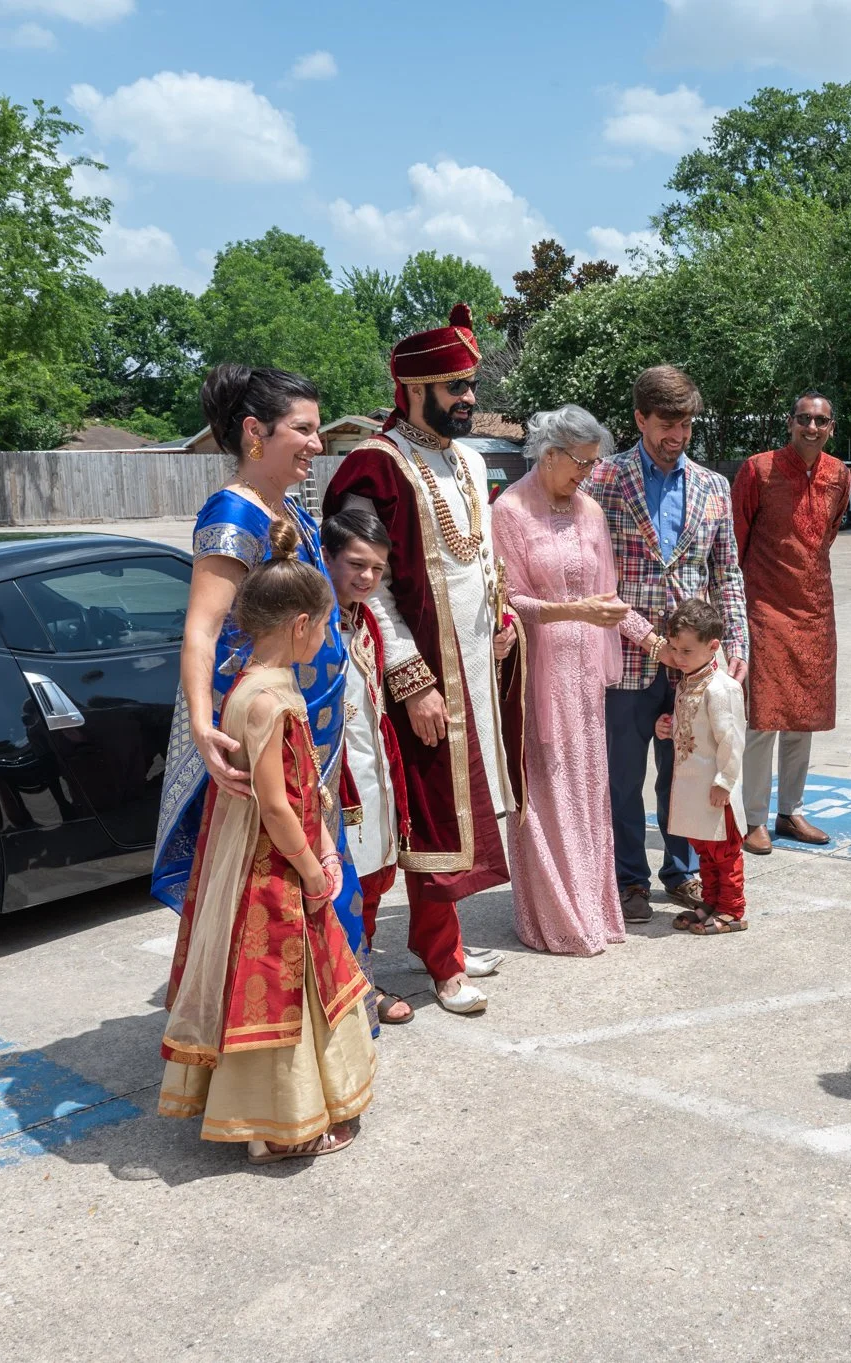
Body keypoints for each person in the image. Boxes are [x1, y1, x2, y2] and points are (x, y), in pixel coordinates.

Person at [322, 304, 519, 1017]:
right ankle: (377, 964)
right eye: (455, 388)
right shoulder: (372, 464)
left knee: (460, 810)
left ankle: (446, 943)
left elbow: (479, 558)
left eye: (471, 386)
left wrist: (499, 617)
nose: (470, 399)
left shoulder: (466, 459)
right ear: (412, 389)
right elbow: (361, 581)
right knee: (405, 817)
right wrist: (411, 679)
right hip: (407, 673)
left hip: (470, 664)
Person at [158, 522, 374, 1164]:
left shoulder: (242, 686)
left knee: (250, 984)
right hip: (273, 870)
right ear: (302, 624)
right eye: (325, 625)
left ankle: (255, 1116)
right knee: (283, 985)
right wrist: (312, 866)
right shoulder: (277, 701)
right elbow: (278, 805)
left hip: (241, 861)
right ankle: (280, 1127)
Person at [153, 364, 364, 968]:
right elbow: (202, 629)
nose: (318, 445)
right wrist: (201, 725)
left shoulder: (289, 511)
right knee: (278, 883)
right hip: (266, 735)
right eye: (304, 430)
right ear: (255, 432)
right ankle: (280, 1036)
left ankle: (331, 1017)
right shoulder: (233, 515)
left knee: (319, 863)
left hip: (309, 725)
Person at [491, 405, 665, 955]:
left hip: (587, 677)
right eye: (581, 462)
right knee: (548, 793)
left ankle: (593, 905)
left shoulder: (589, 509)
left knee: (589, 792)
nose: (587, 473)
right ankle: (557, 916)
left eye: (592, 463)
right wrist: (573, 613)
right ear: (549, 455)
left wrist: (654, 641)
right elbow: (508, 601)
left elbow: (607, 599)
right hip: (538, 673)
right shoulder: (509, 511)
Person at [587, 365, 749, 927]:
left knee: (688, 773)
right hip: (628, 658)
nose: (676, 437)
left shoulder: (713, 486)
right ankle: (629, 878)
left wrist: (736, 642)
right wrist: (649, 638)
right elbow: (594, 579)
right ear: (639, 419)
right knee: (624, 777)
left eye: (685, 425)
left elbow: (726, 571)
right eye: (665, 425)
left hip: (696, 667)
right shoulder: (603, 481)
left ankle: (681, 873)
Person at [732, 390, 851, 855]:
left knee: (802, 718)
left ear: (831, 428)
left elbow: (830, 532)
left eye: (821, 421)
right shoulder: (758, 470)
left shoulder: (838, 474)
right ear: (789, 423)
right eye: (804, 418)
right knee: (762, 718)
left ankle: (791, 812)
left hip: (815, 608)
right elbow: (736, 537)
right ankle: (755, 818)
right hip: (763, 606)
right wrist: (735, 607)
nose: (812, 428)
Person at [323, 506, 416, 1026]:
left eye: (377, 569)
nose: (367, 578)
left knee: (375, 880)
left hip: (374, 770)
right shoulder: (312, 626)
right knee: (342, 883)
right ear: (327, 557)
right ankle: (343, 989)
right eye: (356, 564)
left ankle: (363, 977)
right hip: (335, 782)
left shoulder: (365, 623)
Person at [653, 598, 748, 934]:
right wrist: (665, 729)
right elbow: (692, 730)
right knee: (705, 849)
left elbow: (732, 740)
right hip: (693, 786)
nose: (678, 658)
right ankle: (710, 901)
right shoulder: (687, 682)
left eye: (687, 651)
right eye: (674, 648)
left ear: (713, 647)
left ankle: (732, 909)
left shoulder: (723, 689)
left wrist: (725, 781)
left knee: (724, 851)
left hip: (714, 788)